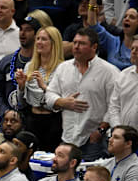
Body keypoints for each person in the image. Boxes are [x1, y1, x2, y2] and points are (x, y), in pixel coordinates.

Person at [45, 27, 120, 160]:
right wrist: (62, 102)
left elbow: (114, 105)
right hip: (67, 138)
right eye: (75, 43)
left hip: (94, 141)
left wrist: (100, 130)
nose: (76, 47)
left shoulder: (109, 72)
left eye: (82, 43)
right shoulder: (63, 68)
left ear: (94, 47)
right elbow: (49, 95)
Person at [16, 26, 64, 151]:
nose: (39, 42)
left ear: (54, 43)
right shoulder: (29, 67)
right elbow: (21, 103)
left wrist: (44, 87)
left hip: (54, 121)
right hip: (32, 120)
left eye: (44, 39)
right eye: (37, 39)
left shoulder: (63, 68)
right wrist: (21, 87)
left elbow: (62, 102)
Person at [0, 14, 37, 118]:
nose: (23, 33)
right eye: (21, 29)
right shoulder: (6, 62)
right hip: (8, 119)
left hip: (32, 117)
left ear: (36, 34)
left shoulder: (42, 62)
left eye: (28, 30)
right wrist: (4, 111)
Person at [87, 0, 135, 70]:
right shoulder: (113, 42)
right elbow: (92, 23)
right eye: (125, 16)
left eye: (132, 17)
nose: (126, 19)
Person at [107, 39, 138, 127]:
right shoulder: (123, 75)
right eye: (132, 49)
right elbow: (114, 107)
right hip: (124, 134)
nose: (134, 52)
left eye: (137, 49)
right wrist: (118, 129)